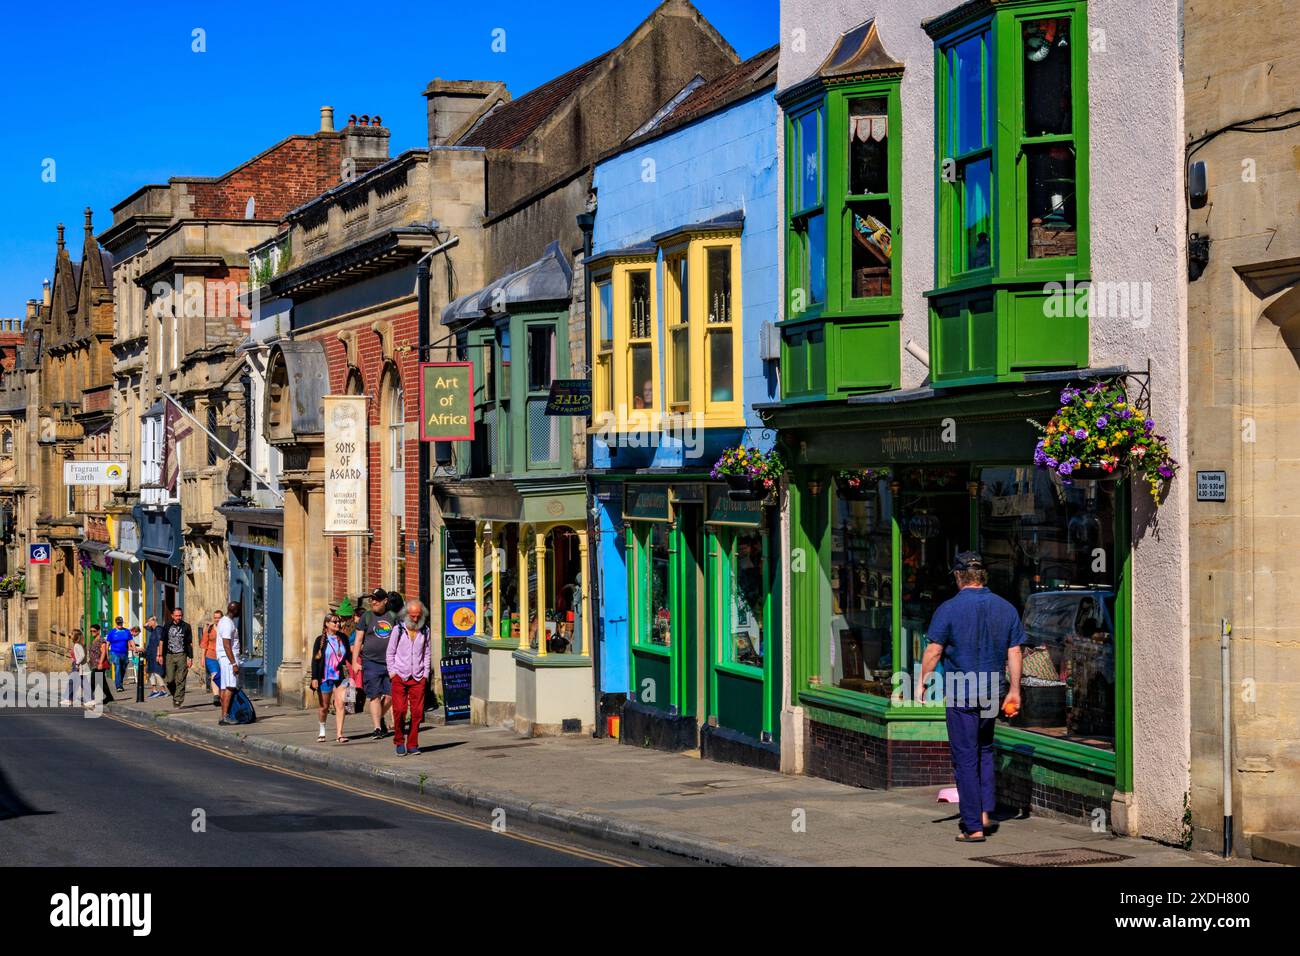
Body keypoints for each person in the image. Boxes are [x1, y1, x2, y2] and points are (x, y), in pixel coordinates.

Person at [919, 552, 1024, 843]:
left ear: (958, 576)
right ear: (982, 576)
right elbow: (1014, 653)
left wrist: (923, 683)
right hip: (992, 692)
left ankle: (973, 825)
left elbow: (934, 651)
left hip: (961, 694)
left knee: (965, 758)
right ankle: (985, 811)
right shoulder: (1006, 608)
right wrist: (1014, 690)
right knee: (985, 750)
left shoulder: (948, 609)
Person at [387, 599, 431, 756]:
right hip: (399, 675)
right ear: (406, 614)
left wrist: (425, 674)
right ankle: (399, 741)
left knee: (418, 713)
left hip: (418, 677)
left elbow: (427, 653)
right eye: (412, 616)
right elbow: (390, 653)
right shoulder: (398, 630)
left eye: (418, 616)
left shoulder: (425, 631)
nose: (415, 619)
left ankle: (412, 744)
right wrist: (392, 673)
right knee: (399, 711)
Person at [357, 588, 397, 739]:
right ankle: (378, 728)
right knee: (374, 695)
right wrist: (355, 661)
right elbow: (358, 640)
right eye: (372, 599)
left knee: (391, 695)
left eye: (377, 600)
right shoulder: (366, 617)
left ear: (385, 601)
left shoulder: (393, 617)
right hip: (371, 661)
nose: (373, 602)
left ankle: (379, 716)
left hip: (390, 663)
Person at [310, 612, 352, 743]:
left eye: (339, 621)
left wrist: (356, 666)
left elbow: (349, 656)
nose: (338, 624)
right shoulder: (320, 640)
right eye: (334, 622)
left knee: (341, 704)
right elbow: (315, 660)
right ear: (327, 624)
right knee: (324, 707)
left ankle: (339, 734)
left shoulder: (343, 637)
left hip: (341, 676)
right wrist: (314, 678)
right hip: (325, 677)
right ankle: (322, 729)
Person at [159, 608, 194, 708]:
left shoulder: (186, 626)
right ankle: (176, 694)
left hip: (182, 655)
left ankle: (178, 700)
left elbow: (189, 643)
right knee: (169, 680)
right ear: (172, 616)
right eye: (177, 615)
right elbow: (161, 641)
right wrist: (160, 655)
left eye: (180, 615)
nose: (179, 617)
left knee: (181, 679)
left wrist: (190, 658)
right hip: (169, 655)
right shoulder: (167, 625)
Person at [215, 601, 241, 725]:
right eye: (238, 610)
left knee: (225, 687)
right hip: (228, 659)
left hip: (226, 659)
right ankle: (225, 716)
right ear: (234, 611)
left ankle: (224, 715)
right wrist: (234, 664)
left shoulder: (225, 621)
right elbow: (226, 645)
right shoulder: (227, 623)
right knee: (230, 687)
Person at [105, 616, 135, 692]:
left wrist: (134, 649)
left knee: (123, 669)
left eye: (121, 623)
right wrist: (107, 655)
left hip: (124, 653)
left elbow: (131, 641)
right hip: (115, 653)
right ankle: (118, 686)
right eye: (118, 623)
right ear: (116, 623)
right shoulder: (112, 632)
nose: (120, 624)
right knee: (118, 667)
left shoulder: (127, 631)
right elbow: (107, 644)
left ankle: (120, 683)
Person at [201, 610, 223, 706]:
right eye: (215, 617)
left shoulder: (225, 628)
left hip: (223, 656)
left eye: (219, 617)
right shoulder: (209, 629)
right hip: (211, 655)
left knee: (222, 676)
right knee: (214, 674)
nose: (217, 619)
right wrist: (202, 658)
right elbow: (204, 644)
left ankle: (222, 695)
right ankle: (216, 696)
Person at [142, 616, 167, 699]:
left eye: (149, 622)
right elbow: (144, 626)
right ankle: (154, 690)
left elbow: (160, 643)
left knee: (157, 672)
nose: (148, 623)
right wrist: (149, 622)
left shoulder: (159, 629)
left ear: (154, 621)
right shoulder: (153, 630)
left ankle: (163, 690)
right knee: (150, 672)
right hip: (150, 655)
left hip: (155, 654)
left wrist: (158, 655)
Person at [88, 625, 111, 705]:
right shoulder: (94, 640)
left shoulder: (101, 640)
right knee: (101, 682)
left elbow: (104, 652)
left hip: (99, 664)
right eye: (91, 631)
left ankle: (90, 698)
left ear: (98, 631)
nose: (92, 633)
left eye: (94, 631)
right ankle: (109, 697)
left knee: (93, 680)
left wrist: (100, 663)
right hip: (94, 664)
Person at [64, 628, 86, 704]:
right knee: (80, 682)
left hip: (76, 665)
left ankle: (69, 699)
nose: (70, 635)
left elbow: (82, 655)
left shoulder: (77, 645)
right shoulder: (76, 645)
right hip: (75, 665)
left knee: (72, 682)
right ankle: (70, 699)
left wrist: (77, 663)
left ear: (76, 636)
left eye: (72, 634)